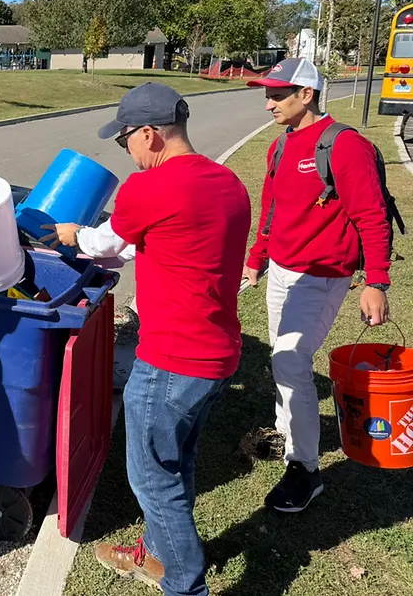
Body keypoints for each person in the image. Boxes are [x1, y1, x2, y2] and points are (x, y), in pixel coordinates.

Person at [45, 83, 252, 596]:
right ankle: (158, 553)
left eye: (126, 142)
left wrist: (73, 235)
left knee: (153, 480)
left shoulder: (149, 188)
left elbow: (104, 243)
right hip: (218, 354)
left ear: (151, 135)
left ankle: (184, 585)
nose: (128, 153)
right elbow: (174, 243)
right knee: (175, 463)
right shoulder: (228, 183)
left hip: (170, 361)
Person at [243, 58, 392, 513]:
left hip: (324, 277)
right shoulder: (282, 146)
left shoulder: (345, 147)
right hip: (283, 272)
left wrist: (377, 282)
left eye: (276, 94)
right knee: (280, 358)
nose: (268, 103)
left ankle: (305, 470)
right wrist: (257, 259)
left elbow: (372, 216)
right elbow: (271, 208)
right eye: (266, 94)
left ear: (305, 94)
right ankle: (286, 432)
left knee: (291, 362)